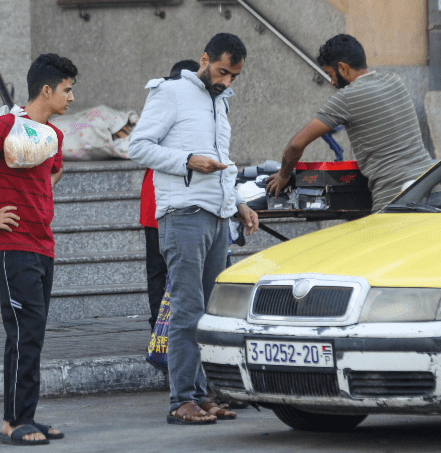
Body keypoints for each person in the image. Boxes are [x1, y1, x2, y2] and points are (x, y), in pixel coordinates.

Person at [128, 33, 258, 425]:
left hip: (217, 216)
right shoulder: (170, 93)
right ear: (204, 60)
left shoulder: (220, 102)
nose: (226, 82)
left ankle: (201, 395)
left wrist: (237, 203)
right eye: (222, 72)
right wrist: (187, 160)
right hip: (182, 215)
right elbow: (138, 147)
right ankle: (181, 399)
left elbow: (221, 161)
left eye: (234, 76)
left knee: (207, 313)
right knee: (187, 310)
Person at [0, 53, 76, 445]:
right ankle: (13, 422)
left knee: (33, 333)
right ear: (46, 89)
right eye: (67, 90)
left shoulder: (51, 134)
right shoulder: (7, 125)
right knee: (23, 333)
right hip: (13, 245)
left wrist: (38, 200)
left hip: (43, 243)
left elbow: (55, 169)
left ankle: (24, 417)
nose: (72, 97)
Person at [266, 34, 438, 211]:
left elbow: (295, 145)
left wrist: (283, 175)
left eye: (330, 74)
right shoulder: (394, 81)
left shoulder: (346, 98)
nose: (332, 82)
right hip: (430, 185)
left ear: (343, 68)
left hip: (395, 198)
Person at [141, 59, 199, 329]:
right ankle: (161, 328)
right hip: (163, 195)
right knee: (161, 268)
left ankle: (162, 328)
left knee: (159, 269)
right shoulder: (171, 102)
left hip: (164, 195)